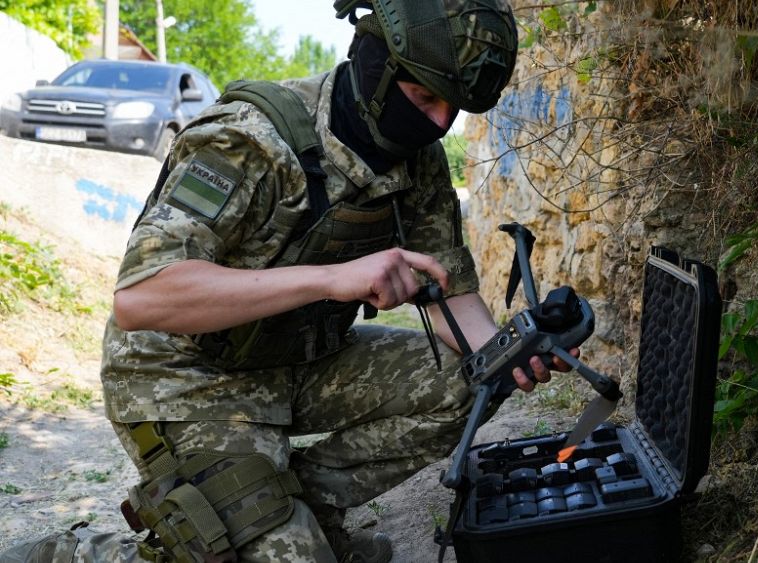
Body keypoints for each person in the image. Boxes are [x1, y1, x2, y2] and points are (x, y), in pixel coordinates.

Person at [1, 1, 576, 561]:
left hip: (296, 361)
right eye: (424, 97)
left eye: (453, 109)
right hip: (188, 374)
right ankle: (82, 552)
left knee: (470, 380)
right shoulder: (248, 140)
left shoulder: (416, 158)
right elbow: (142, 297)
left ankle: (289, 514)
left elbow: (449, 293)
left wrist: (506, 353)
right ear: (375, 67)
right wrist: (331, 279)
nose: (439, 123)